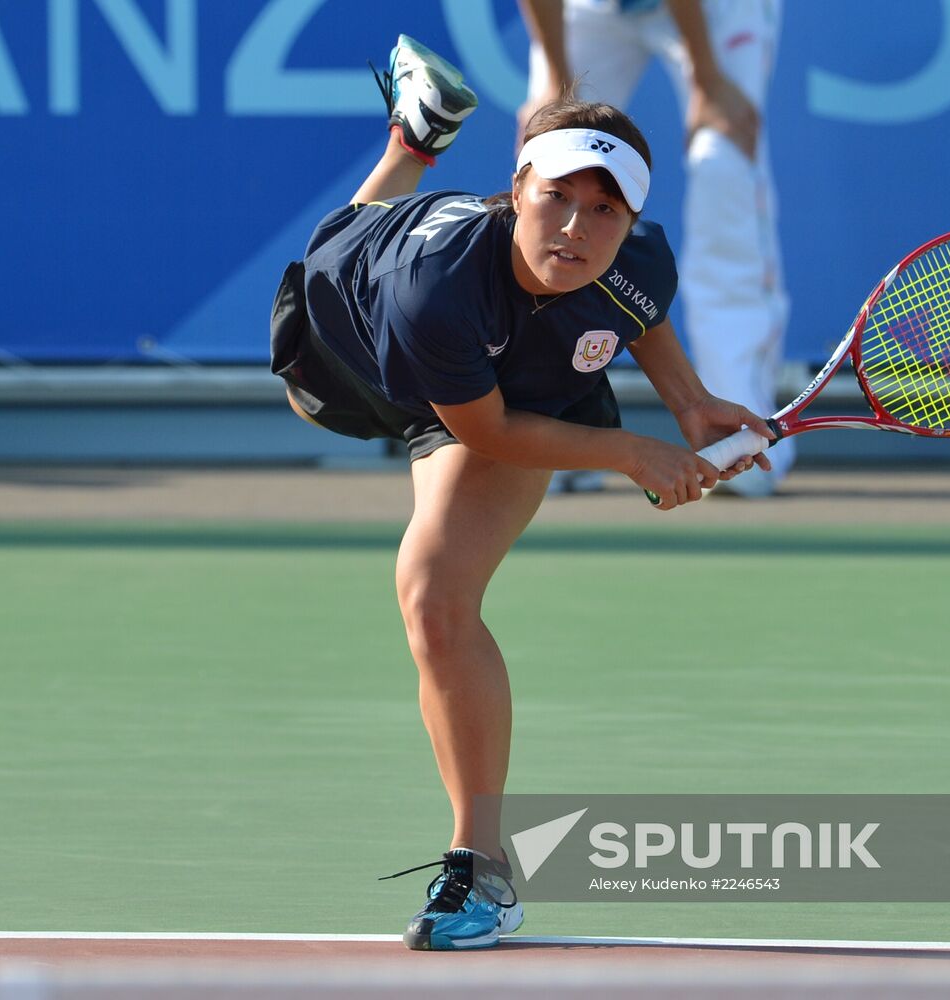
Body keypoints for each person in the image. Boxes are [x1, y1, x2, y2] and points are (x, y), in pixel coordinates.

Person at [270, 34, 772, 951]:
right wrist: (632, 452)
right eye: (557, 200)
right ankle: (411, 147)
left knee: (432, 598)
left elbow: (641, 315)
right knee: (340, 248)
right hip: (360, 339)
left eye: (604, 211)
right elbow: (485, 432)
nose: (577, 229)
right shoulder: (432, 291)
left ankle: (479, 869)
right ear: (516, 194)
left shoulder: (632, 262)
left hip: (532, 375)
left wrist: (691, 406)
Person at [520, 0, 794, 497]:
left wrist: (708, 81)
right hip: (590, 10)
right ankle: (556, 434)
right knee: (551, 161)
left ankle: (739, 433)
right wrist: (555, 88)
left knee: (722, 165)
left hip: (715, 10)